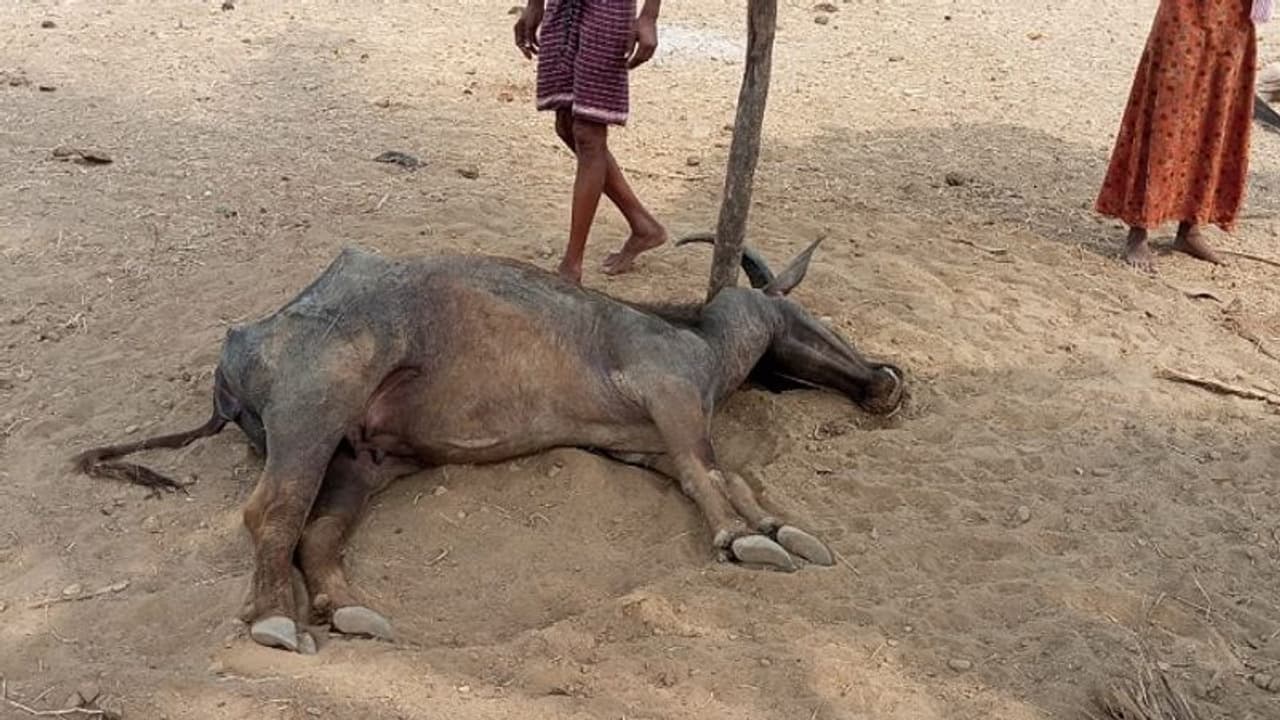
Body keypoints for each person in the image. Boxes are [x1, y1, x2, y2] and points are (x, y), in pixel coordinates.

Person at [1095, 0, 1269, 273]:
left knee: (1217, 107)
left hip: (1234, 13)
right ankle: (1139, 229)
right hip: (1186, 9)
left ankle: (1190, 227)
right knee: (1168, 106)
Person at [514, 0, 668, 285]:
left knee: (588, 132)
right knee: (565, 123)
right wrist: (534, 4)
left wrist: (649, 14)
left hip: (609, 9)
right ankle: (643, 225)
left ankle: (571, 267)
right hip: (562, 9)